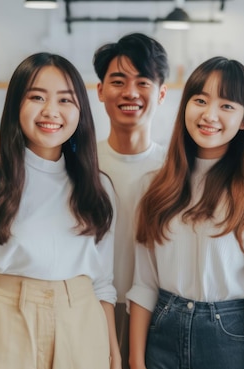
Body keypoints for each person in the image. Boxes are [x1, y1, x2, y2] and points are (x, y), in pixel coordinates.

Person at [0, 52, 120, 368]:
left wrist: (112, 351)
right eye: (37, 97)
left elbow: (102, 283)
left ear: (81, 112)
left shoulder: (99, 189)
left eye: (65, 100)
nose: (51, 111)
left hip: (83, 327)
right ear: (16, 105)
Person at [127, 56, 244, 369]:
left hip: (229, 340)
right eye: (200, 100)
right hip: (162, 333)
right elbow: (144, 285)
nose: (209, 114)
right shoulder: (153, 186)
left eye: (227, 105)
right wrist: (136, 363)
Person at [93, 32, 170, 369]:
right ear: (99, 90)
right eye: (118, 81)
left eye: (143, 81)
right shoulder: (79, 166)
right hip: (89, 310)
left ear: (162, 93)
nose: (130, 93)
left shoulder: (176, 169)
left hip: (160, 314)